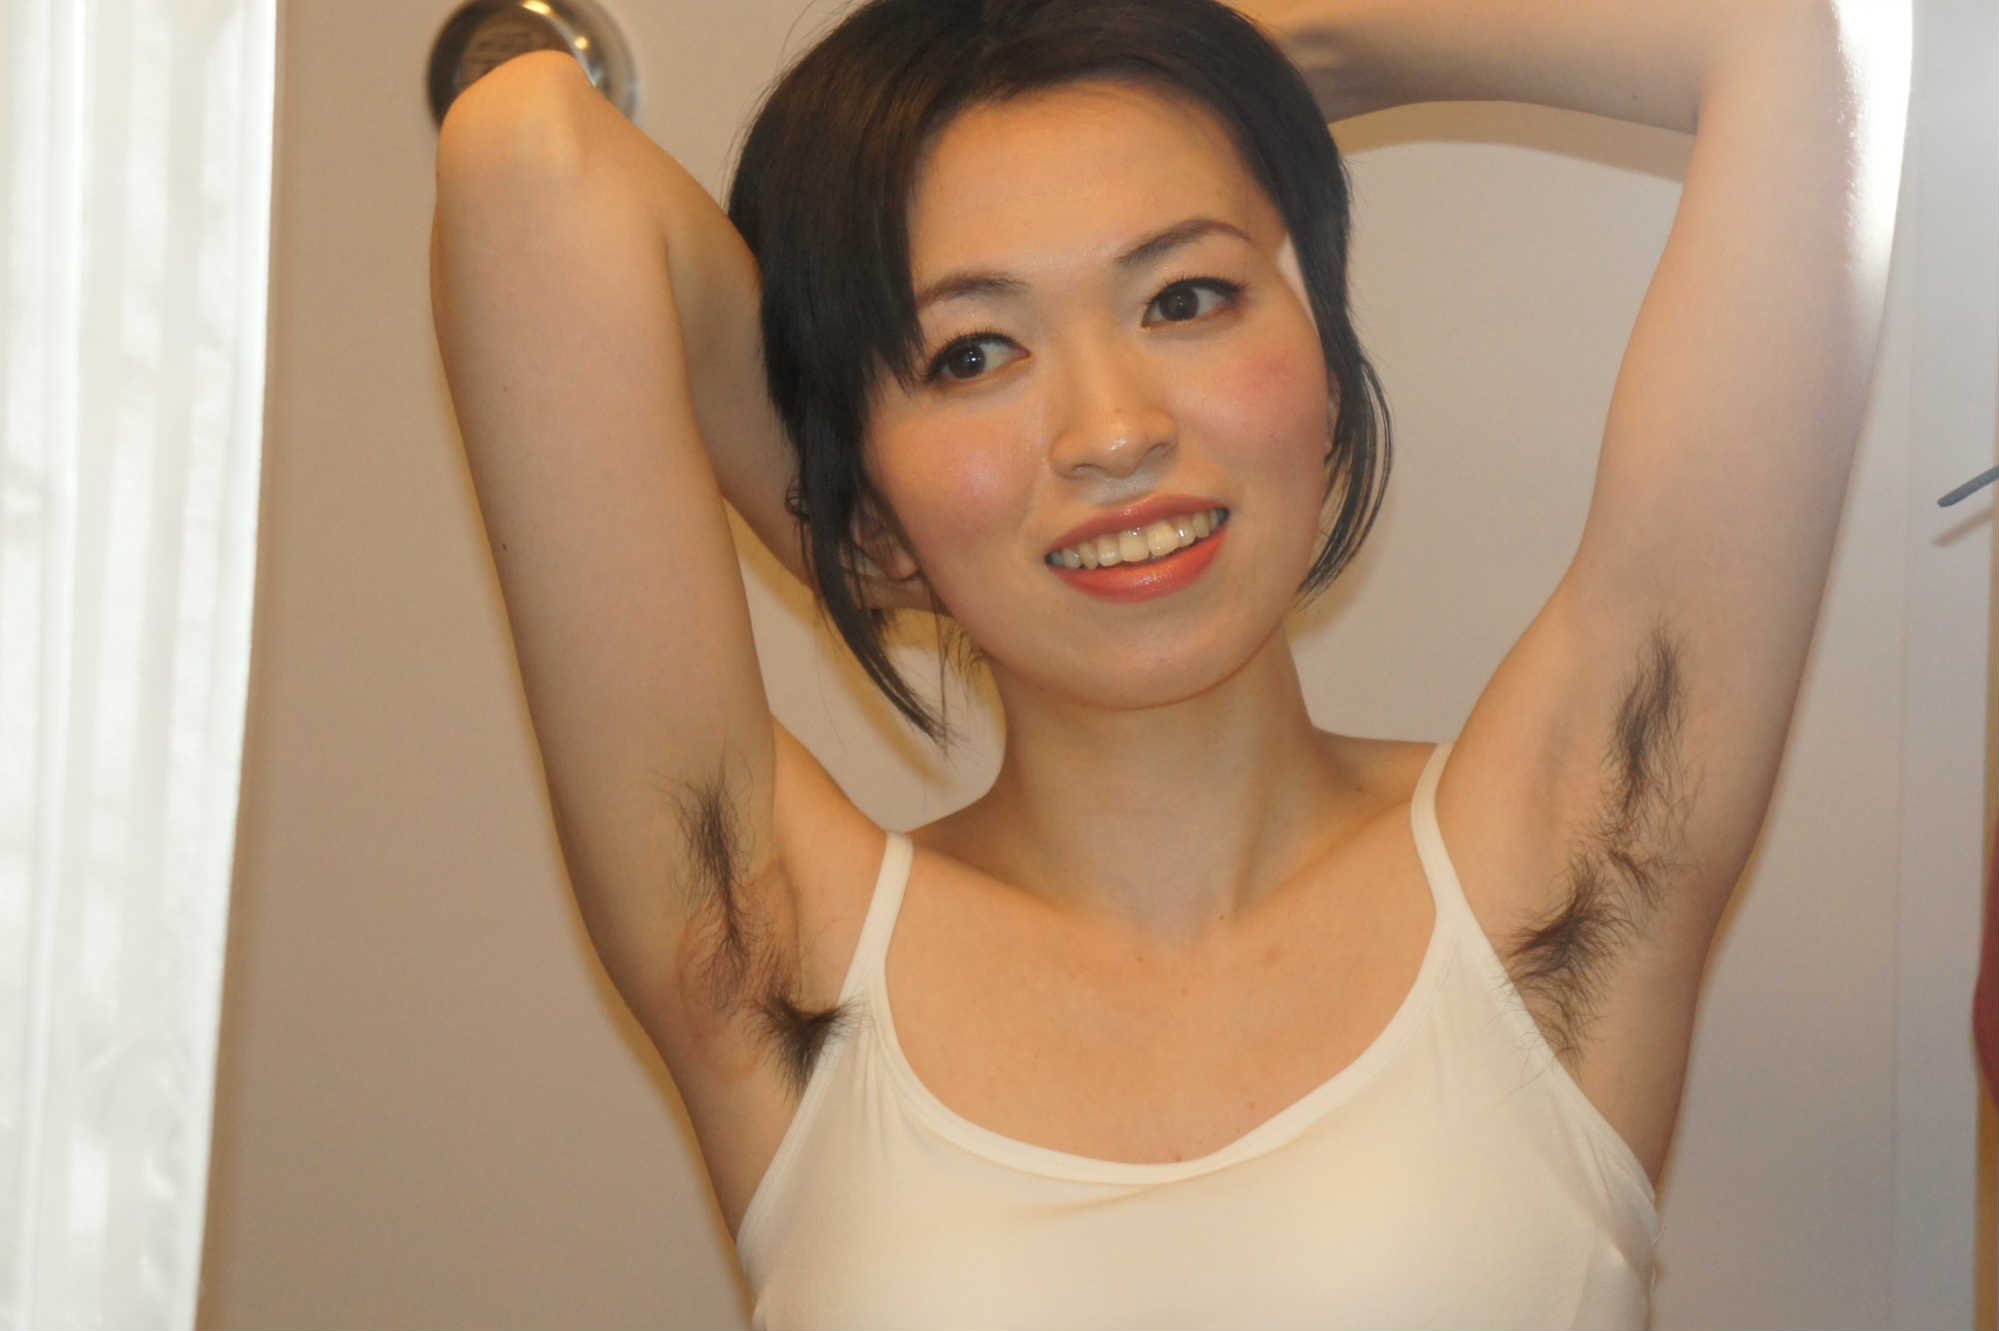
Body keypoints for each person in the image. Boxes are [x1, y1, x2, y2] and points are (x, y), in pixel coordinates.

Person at [428, 0, 1907, 1325]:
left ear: (1323, 365)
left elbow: (1806, 31)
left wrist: (1270, 49)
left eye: (1185, 297)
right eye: (972, 353)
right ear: (866, 500)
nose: (1115, 431)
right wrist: (868, 525)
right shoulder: (773, 959)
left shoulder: (1573, 864)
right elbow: (525, 150)